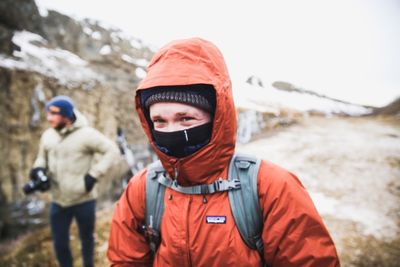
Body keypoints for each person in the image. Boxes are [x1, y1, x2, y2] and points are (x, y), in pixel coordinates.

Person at [107, 38, 340, 266]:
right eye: (159, 121)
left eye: (186, 118)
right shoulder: (142, 188)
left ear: (216, 118)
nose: (172, 131)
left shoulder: (271, 188)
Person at [30, 95, 119, 267]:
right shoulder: (48, 135)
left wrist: (94, 175)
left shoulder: (87, 135)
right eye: (48, 113)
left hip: (84, 199)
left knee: (86, 240)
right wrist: (38, 169)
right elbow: (41, 158)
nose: (49, 118)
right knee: (60, 244)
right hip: (58, 201)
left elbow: (112, 151)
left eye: (53, 114)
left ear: (66, 116)